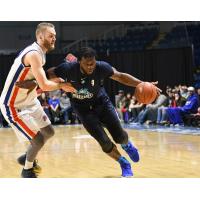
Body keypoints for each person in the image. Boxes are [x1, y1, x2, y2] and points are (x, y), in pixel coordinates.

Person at [47, 47, 160, 177]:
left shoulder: (101, 67)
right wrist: (57, 84)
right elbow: (48, 74)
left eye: (92, 63)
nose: (90, 67)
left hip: (102, 104)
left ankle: (127, 145)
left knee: (120, 136)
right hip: (83, 110)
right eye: (87, 64)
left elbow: (120, 76)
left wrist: (142, 83)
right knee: (104, 142)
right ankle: (123, 163)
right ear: (79, 62)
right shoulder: (67, 68)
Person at [0, 22, 76, 178]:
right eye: (51, 35)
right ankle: (27, 170)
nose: (54, 38)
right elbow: (44, 85)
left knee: (49, 131)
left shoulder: (41, 52)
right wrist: (61, 85)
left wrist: (51, 81)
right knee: (39, 140)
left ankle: (27, 155)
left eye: (55, 35)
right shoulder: (34, 53)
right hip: (13, 105)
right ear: (40, 36)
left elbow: (38, 81)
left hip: (29, 100)